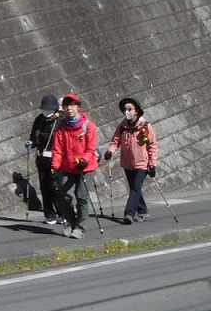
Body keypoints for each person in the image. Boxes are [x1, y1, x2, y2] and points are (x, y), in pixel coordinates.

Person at [49, 93, 99, 239]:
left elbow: (91, 148)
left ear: (78, 107)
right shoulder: (61, 127)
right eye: (66, 106)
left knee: (81, 197)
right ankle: (70, 223)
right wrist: (54, 166)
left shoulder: (88, 126)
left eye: (72, 105)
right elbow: (57, 149)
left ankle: (80, 227)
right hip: (67, 167)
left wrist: (84, 160)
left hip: (86, 168)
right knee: (65, 197)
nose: (69, 109)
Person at [104, 97, 158, 224]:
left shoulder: (145, 126)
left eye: (129, 109)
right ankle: (143, 211)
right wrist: (110, 151)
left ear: (137, 111)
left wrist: (152, 164)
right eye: (125, 109)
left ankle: (129, 213)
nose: (126, 111)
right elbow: (115, 141)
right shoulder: (122, 126)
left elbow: (152, 146)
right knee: (135, 188)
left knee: (135, 188)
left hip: (142, 164)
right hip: (127, 164)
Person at [26, 94, 65, 224]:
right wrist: (31, 143)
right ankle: (49, 214)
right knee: (44, 187)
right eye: (44, 109)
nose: (46, 112)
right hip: (42, 158)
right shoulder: (39, 120)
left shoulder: (60, 121)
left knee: (56, 186)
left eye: (49, 109)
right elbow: (34, 136)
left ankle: (62, 213)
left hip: (56, 158)